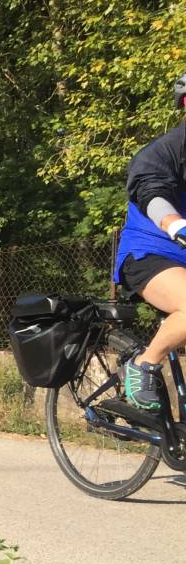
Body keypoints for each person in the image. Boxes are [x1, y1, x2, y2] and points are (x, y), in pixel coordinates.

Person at [114, 71, 186, 411]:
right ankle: (143, 364)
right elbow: (150, 190)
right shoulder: (168, 149)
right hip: (150, 255)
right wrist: (175, 225)